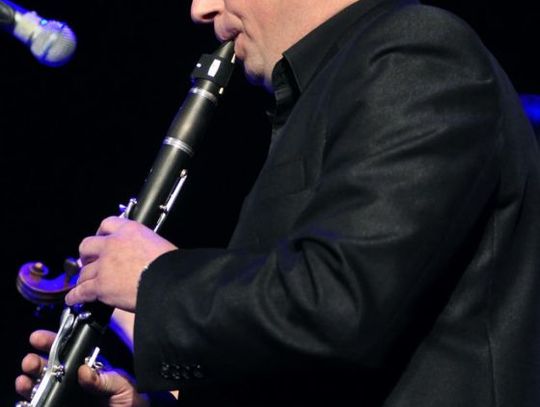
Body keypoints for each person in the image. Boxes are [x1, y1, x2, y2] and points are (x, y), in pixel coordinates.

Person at [16, 0, 540, 405]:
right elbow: (316, 371)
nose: (200, 9)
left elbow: (340, 302)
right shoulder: (323, 93)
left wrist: (157, 280)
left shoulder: (416, 52)